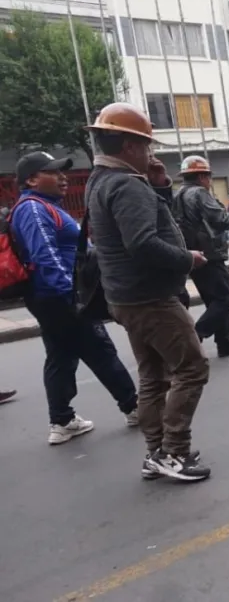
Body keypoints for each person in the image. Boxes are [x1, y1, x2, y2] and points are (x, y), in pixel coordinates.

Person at [85, 103, 212, 482]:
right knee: (192, 368)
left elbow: (140, 225)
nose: (150, 153)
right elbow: (143, 244)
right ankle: (174, 451)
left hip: (124, 297)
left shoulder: (101, 180)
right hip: (150, 298)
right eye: (145, 145)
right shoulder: (125, 185)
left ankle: (155, 453)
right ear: (127, 146)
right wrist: (187, 259)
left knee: (153, 376)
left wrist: (158, 186)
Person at [11, 151, 138, 445]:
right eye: (53, 172)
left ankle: (62, 420)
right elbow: (45, 254)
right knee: (100, 349)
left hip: (51, 297)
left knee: (61, 355)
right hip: (60, 296)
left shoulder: (44, 206)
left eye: (62, 172)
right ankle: (134, 407)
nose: (62, 177)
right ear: (31, 179)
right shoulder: (32, 208)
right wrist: (73, 295)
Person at [173, 156, 229, 358]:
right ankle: (195, 336)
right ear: (201, 177)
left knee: (213, 299)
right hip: (210, 253)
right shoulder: (199, 193)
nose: (209, 181)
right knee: (225, 299)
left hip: (191, 253)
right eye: (208, 177)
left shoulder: (178, 194)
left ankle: (225, 341)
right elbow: (221, 219)